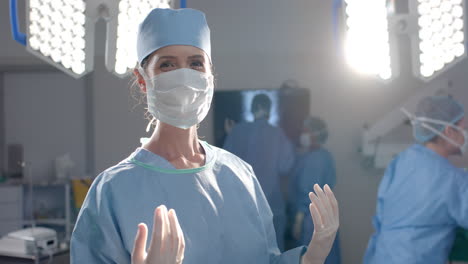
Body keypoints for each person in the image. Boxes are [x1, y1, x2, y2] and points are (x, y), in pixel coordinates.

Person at [70, 8, 339, 264]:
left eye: (196, 63)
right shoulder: (112, 192)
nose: (184, 76)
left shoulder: (240, 175)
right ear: (142, 79)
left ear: (210, 74)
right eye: (167, 65)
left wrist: (310, 257)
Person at [364, 95, 468, 264]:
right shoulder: (452, 179)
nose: (465, 135)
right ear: (449, 131)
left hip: (381, 257)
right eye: (464, 128)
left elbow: (381, 215)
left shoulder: (401, 162)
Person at [223, 93, 295, 250]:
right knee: (275, 254)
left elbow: (224, 166)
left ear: (252, 109)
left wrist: (233, 136)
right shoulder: (277, 135)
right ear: (268, 110)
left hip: (243, 207)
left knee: (247, 252)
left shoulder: (238, 132)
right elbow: (285, 166)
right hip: (272, 206)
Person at [289, 117, 341, 264]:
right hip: (323, 217)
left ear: (315, 134)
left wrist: (298, 221)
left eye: (306, 132)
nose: (302, 135)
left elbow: (309, 194)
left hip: (311, 220)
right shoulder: (324, 155)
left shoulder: (314, 160)